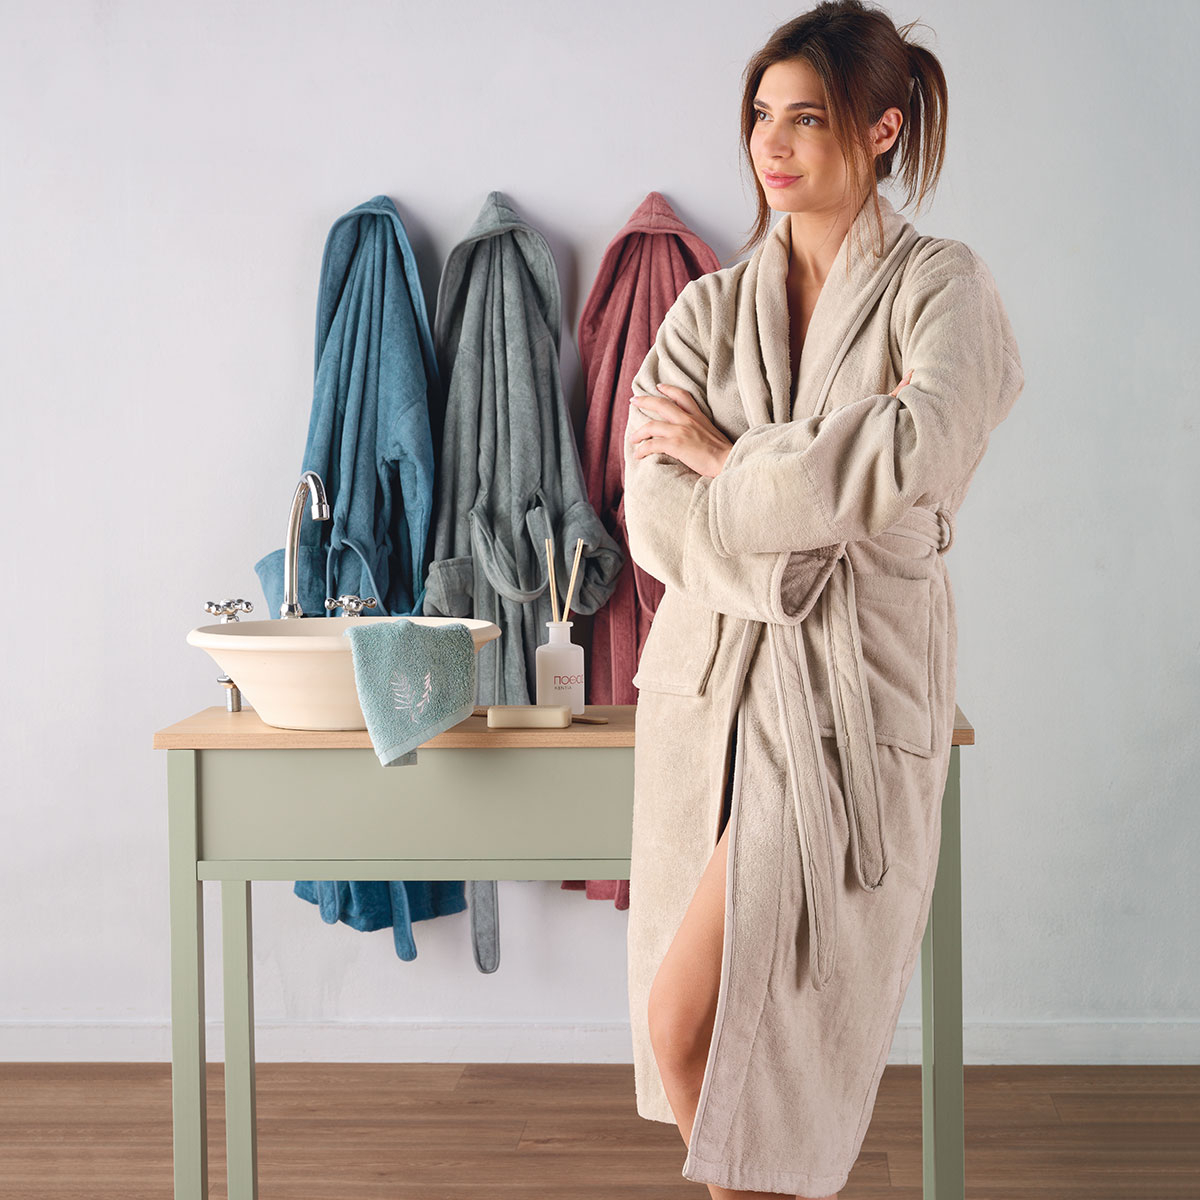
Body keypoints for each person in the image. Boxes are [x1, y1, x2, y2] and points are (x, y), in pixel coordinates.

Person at [621, 3, 1024, 1199]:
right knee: (693, 1037)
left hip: (847, 698)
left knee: (725, 1031)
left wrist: (728, 458)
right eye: (762, 115)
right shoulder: (708, 309)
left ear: (882, 128)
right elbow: (652, 507)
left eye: (807, 117)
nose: (773, 143)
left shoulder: (944, 288)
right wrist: (794, 528)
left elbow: (920, 445)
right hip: (709, 692)